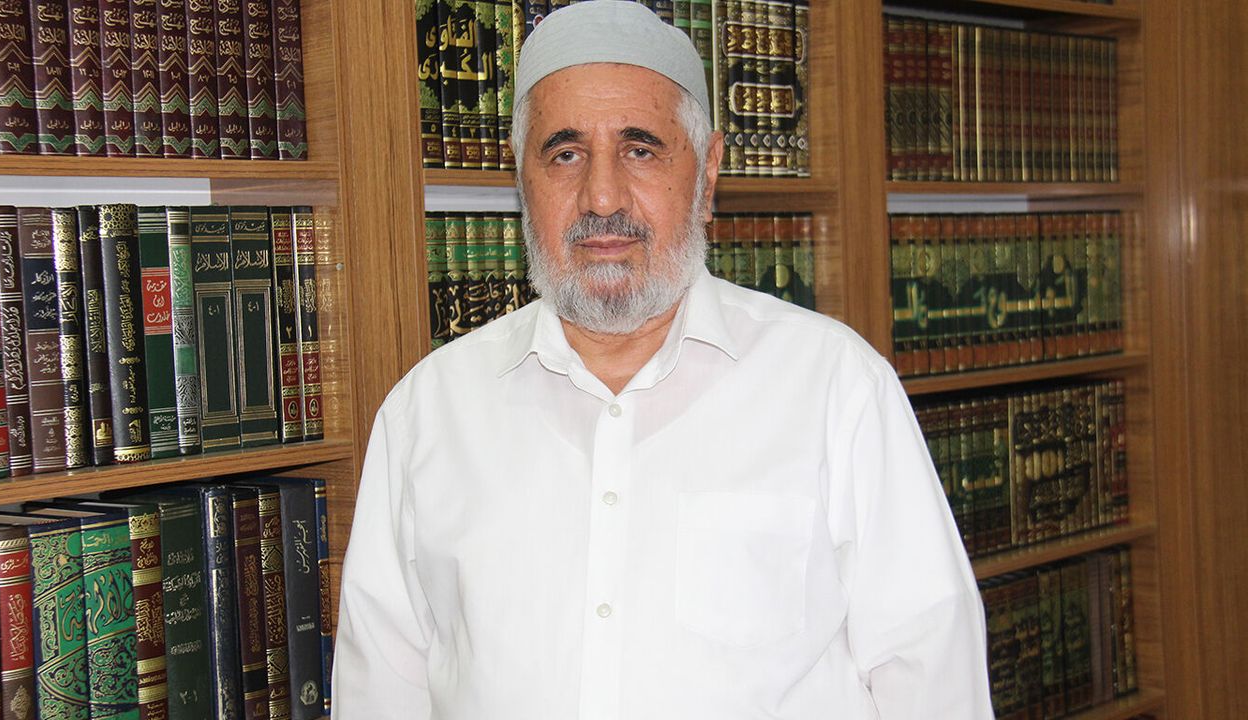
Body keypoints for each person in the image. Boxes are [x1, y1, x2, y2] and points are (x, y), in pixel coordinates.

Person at [333, 2, 992, 718]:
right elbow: (381, 694)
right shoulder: (427, 415)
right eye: (565, 153)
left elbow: (933, 684)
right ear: (523, 181)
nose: (602, 196)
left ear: (707, 175)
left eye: (641, 150)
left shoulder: (837, 389)